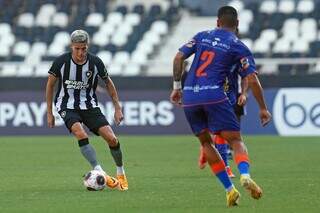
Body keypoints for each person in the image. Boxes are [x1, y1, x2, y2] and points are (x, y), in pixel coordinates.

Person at [170, 6, 271, 207]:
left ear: (217, 22)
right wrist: (262, 108)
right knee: (235, 140)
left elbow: (178, 57)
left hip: (190, 96)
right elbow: (251, 78)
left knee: (206, 144)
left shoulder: (201, 36)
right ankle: (244, 175)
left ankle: (229, 191)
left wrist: (177, 87)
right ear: (237, 25)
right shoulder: (238, 46)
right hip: (215, 95)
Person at [46, 30, 128, 191]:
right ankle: (100, 171)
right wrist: (49, 113)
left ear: (87, 46)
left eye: (83, 48)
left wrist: (117, 107)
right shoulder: (61, 62)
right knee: (80, 133)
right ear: (72, 47)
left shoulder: (95, 62)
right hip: (66, 105)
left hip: (89, 106)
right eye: (77, 49)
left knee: (112, 139)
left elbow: (109, 83)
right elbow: (50, 85)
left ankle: (121, 173)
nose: (80, 52)